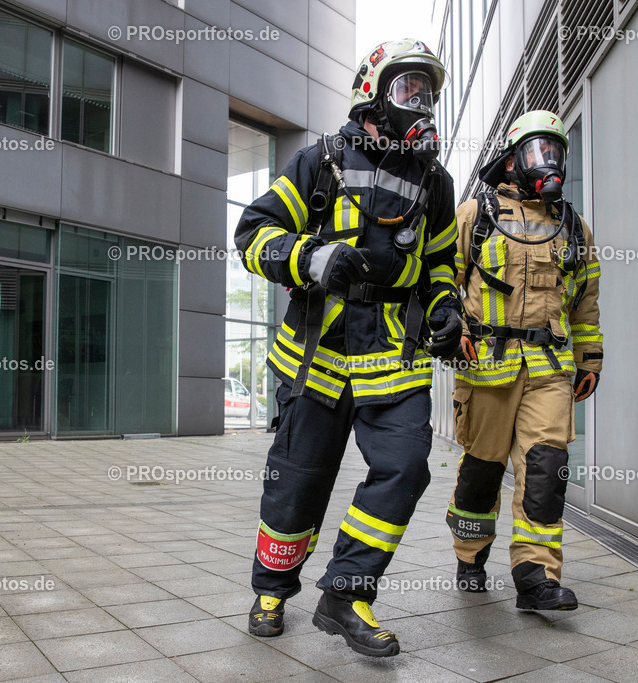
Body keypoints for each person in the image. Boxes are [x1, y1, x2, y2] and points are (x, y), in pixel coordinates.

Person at [234, 38, 461, 657]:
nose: (422, 103)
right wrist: (310, 256)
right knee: (297, 483)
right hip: (316, 358)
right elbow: (252, 232)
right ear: (373, 91)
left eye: (428, 93)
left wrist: (444, 305)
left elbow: (442, 262)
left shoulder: (434, 183)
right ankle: (272, 589)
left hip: (394, 359)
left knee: (408, 467)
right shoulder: (320, 161)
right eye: (408, 89)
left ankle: (346, 594)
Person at [446, 110, 603, 611]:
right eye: (539, 151)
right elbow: (442, 283)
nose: (548, 162)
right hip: (486, 368)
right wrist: (451, 332)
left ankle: (535, 577)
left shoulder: (573, 227)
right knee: (482, 471)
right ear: (513, 160)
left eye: (556, 151)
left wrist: (590, 358)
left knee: (545, 470)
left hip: (550, 370)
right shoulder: (475, 214)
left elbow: (585, 302)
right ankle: (470, 555)